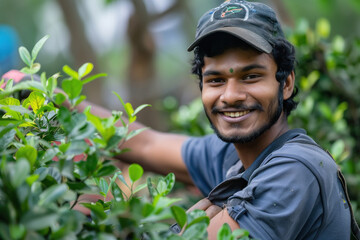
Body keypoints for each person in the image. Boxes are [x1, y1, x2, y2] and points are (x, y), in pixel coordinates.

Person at [2, 1, 359, 239]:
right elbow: (143, 142)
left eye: (251, 76)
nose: (231, 95)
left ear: (286, 83)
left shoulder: (294, 171)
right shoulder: (234, 156)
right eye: (216, 80)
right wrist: (49, 100)